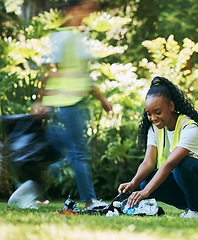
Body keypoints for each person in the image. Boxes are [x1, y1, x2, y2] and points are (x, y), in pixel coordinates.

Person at [32, 0, 112, 209]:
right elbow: (50, 70)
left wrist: (100, 96)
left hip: (72, 102)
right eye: (84, 8)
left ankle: (27, 189)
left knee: (57, 151)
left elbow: (81, 75)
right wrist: (41, 101)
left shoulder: (74, 36)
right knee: (77, 151)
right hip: (65, 103)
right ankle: (89, 200)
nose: (87, 13)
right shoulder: (64, 37)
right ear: (71, 10)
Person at [118, 76, 198, 218]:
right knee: (145, 181)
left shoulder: (190, 127)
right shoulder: (155, 129)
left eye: (158, 112)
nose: (153, 118)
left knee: (181, 163)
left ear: (171, 106)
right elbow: (148, 162)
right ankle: (190, 207)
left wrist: (146, 192)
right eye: (149, 113)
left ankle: (195, 210)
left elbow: (170, 164)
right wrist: (133, 182)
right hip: (187, 178)